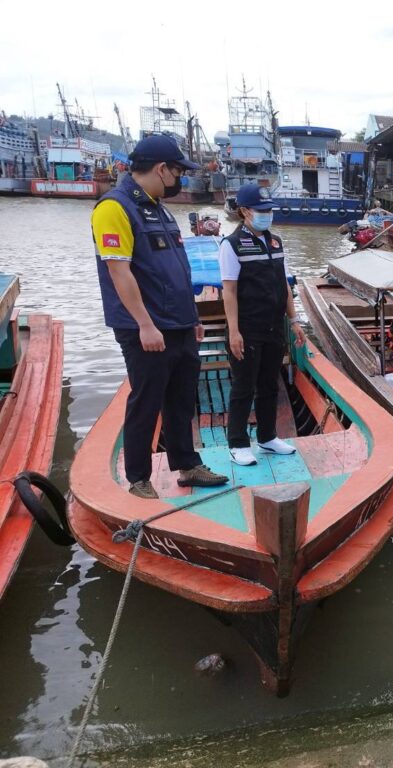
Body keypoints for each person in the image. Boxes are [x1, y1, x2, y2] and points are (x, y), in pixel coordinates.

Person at [92, 134, 229, 499]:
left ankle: (187, 465)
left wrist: (193, 316)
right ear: (161, 169)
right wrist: (145, 324)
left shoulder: (159, 209)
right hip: (147, 327)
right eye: (178, 172)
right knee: (147, 401)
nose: (179, 179)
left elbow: (177, 268)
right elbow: (119, 272)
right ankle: (138, 479)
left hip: (179, 322)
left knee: (182, 399)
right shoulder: (114, 208)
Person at [219, 183, 306, 466]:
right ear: (245, 211)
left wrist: (294, 321)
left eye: (269, 210)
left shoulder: (276, 242)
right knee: (244, 386)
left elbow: (285, 285)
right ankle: (237, 443)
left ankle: (267, 437)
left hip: (274, 326)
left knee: (270, 385)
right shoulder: (231, 245)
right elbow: (229, 290)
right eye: (261, 210)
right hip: (247, 327)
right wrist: (234, 332)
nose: (267, 215)